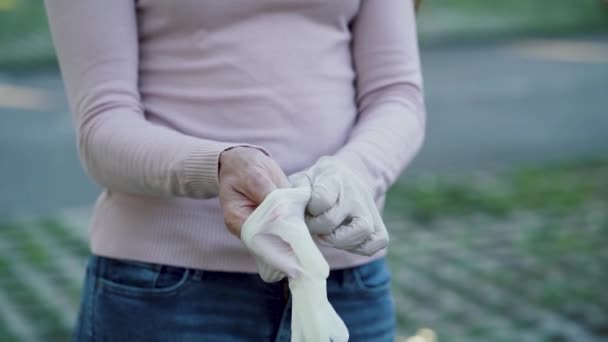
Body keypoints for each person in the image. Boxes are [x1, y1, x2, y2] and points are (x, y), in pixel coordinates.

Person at [45, 0, 425, 341]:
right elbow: (101, 127)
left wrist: (353, 173)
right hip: (165, 292)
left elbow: (396, 95)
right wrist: (219, 165)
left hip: (346, 284)